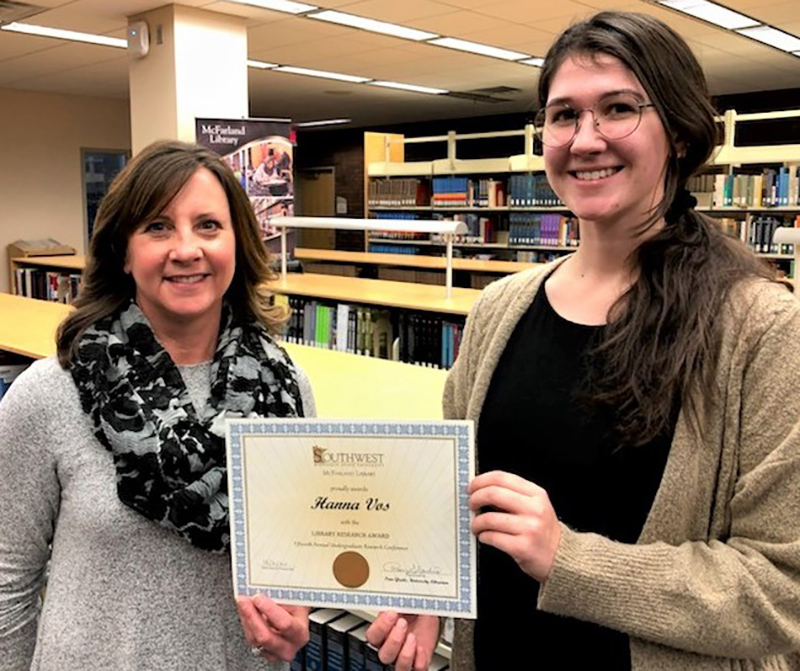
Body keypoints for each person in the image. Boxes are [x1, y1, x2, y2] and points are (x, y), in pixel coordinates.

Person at [367, 11, 800, 671]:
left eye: (618, 108)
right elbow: (454, 497)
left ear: (680, 135)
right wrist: (429, 584)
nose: (585, 139)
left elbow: (781, 591)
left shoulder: (761, 329)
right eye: (564, 115)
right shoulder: (497, 312)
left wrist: (569, 558)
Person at [0, 140, 312, 670]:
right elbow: (7, 580)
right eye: (157, 227)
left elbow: (295, 552)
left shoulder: (285, 389)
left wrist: (297, 613)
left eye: (209, 225)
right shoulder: (50, 392)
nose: (186, 248)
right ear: (123, 251)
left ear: (239, 243)